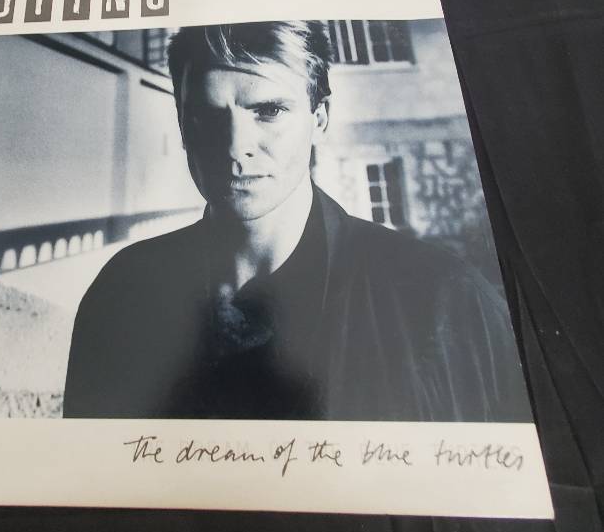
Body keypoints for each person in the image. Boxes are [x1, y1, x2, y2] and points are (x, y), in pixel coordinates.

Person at [62, 21, 531, 422]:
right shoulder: (122, 292)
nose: (235, 148)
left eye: (269, 111)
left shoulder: (444, 301)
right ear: (183, 126)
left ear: (319, 119)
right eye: (205, 115)